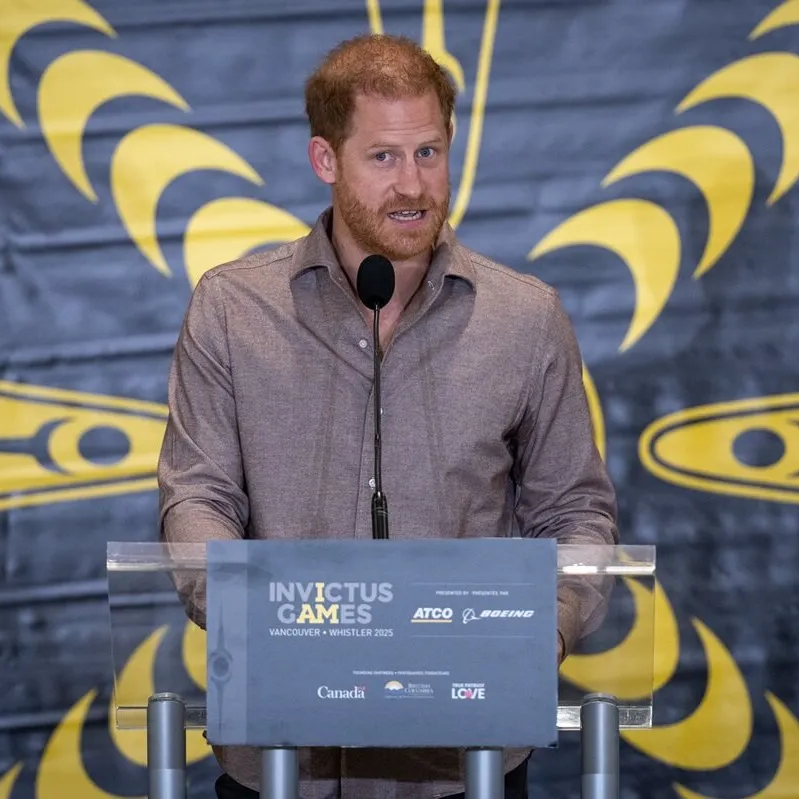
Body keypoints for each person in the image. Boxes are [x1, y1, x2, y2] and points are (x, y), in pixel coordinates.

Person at [158, 32, 619, 799]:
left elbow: (576, 508)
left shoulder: (526, 318)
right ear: (325, 160)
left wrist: (548, 627)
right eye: (383, 158)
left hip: (463, 761)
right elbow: (197, 497)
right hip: (280, 756)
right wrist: (258, 625)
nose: (413, 185)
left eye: (430, 153)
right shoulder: (234, 309)